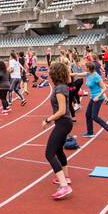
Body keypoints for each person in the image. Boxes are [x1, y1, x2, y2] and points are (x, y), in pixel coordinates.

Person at [43, 60, 75, 199]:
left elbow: (62, 110)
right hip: (63, 122)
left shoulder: (60, 89)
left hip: (63, 122)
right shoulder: (61, 87)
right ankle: (65, 177)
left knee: (49, 153)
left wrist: (47, 120)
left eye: (51, 72)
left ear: (55, 74)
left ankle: (64, 186)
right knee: (58, 150)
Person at [81, 61, 108, 140]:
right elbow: (77, 74)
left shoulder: (96, 76)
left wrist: (98, 96)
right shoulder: (88, 74)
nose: (84, 67)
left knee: (94, 116)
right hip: (93, 98)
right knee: (88, 114)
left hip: (98, 98)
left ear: (89, 68)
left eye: (85, 67)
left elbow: (104, 88)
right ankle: (90, 132)